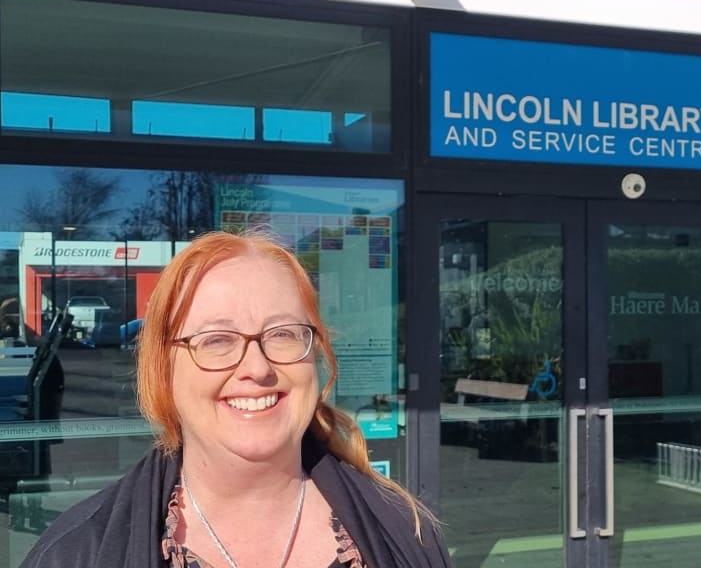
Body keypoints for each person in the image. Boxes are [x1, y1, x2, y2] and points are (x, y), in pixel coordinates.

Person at [21, 231, 452, 568]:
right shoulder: (75, 554)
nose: (257, 368)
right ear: (163, 369)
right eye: (217, 340)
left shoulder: (404, 533)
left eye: (282, 334)